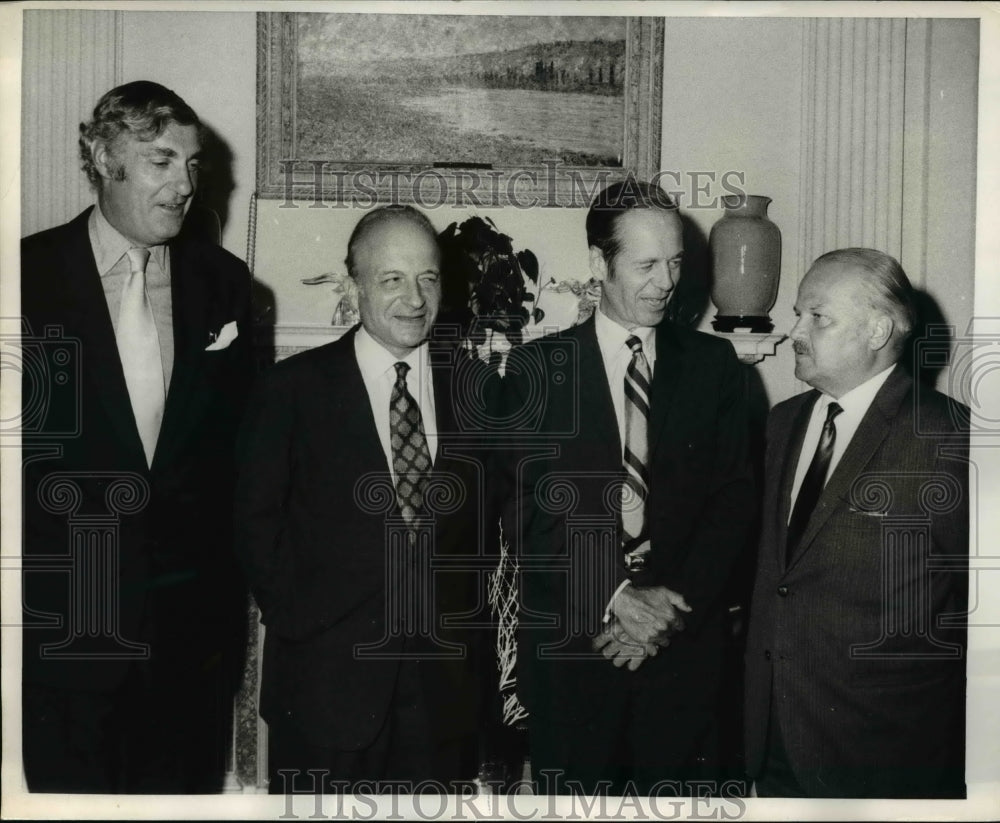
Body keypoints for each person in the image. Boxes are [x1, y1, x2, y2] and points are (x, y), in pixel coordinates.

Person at [20, 80, 254, 792]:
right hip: (61, 631)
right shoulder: (23, 277)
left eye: (193, 164)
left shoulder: (225, 283)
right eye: (162, 161)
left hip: (190, 640)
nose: (186, 184)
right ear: (104, 158)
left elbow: (238, 454)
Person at [500, 180, 755, 795]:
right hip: (574, 661)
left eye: (675, 262)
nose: (667, 282)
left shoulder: (716, 367)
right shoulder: (536, 370)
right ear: (599, 263)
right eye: (646, 265)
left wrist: (662, 616)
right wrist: (615, 595)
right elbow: (522, 510)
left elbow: (734, 505)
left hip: (684, 661)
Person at [234, 205, 490, 794]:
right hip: (325, 691)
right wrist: (305, 622)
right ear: (353, 288)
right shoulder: (290, 390)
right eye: (391, 279)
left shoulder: (475, 390)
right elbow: (253, 526)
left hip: (443, 699)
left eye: (428, 277)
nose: (414, 298)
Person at [744, 248, 969, 798]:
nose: (795, 331)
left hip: (884, 751)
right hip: (772, 735)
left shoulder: (949, 438)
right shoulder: (782, 423)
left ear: (877, 330)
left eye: (817, 317)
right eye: (798, 314)